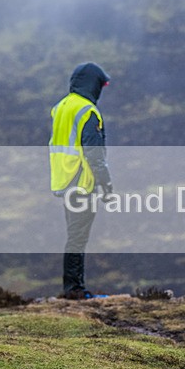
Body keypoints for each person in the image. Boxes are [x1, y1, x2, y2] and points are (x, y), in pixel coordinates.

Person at [49, 62, 112, 300]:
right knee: (78, 236)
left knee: (74, 234)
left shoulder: (61, 107)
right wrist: (106, 184)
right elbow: (94, 155)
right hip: (83, 183)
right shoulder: (87, 111)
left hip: (64, 181)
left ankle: (74, 288)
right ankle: (74, 290)